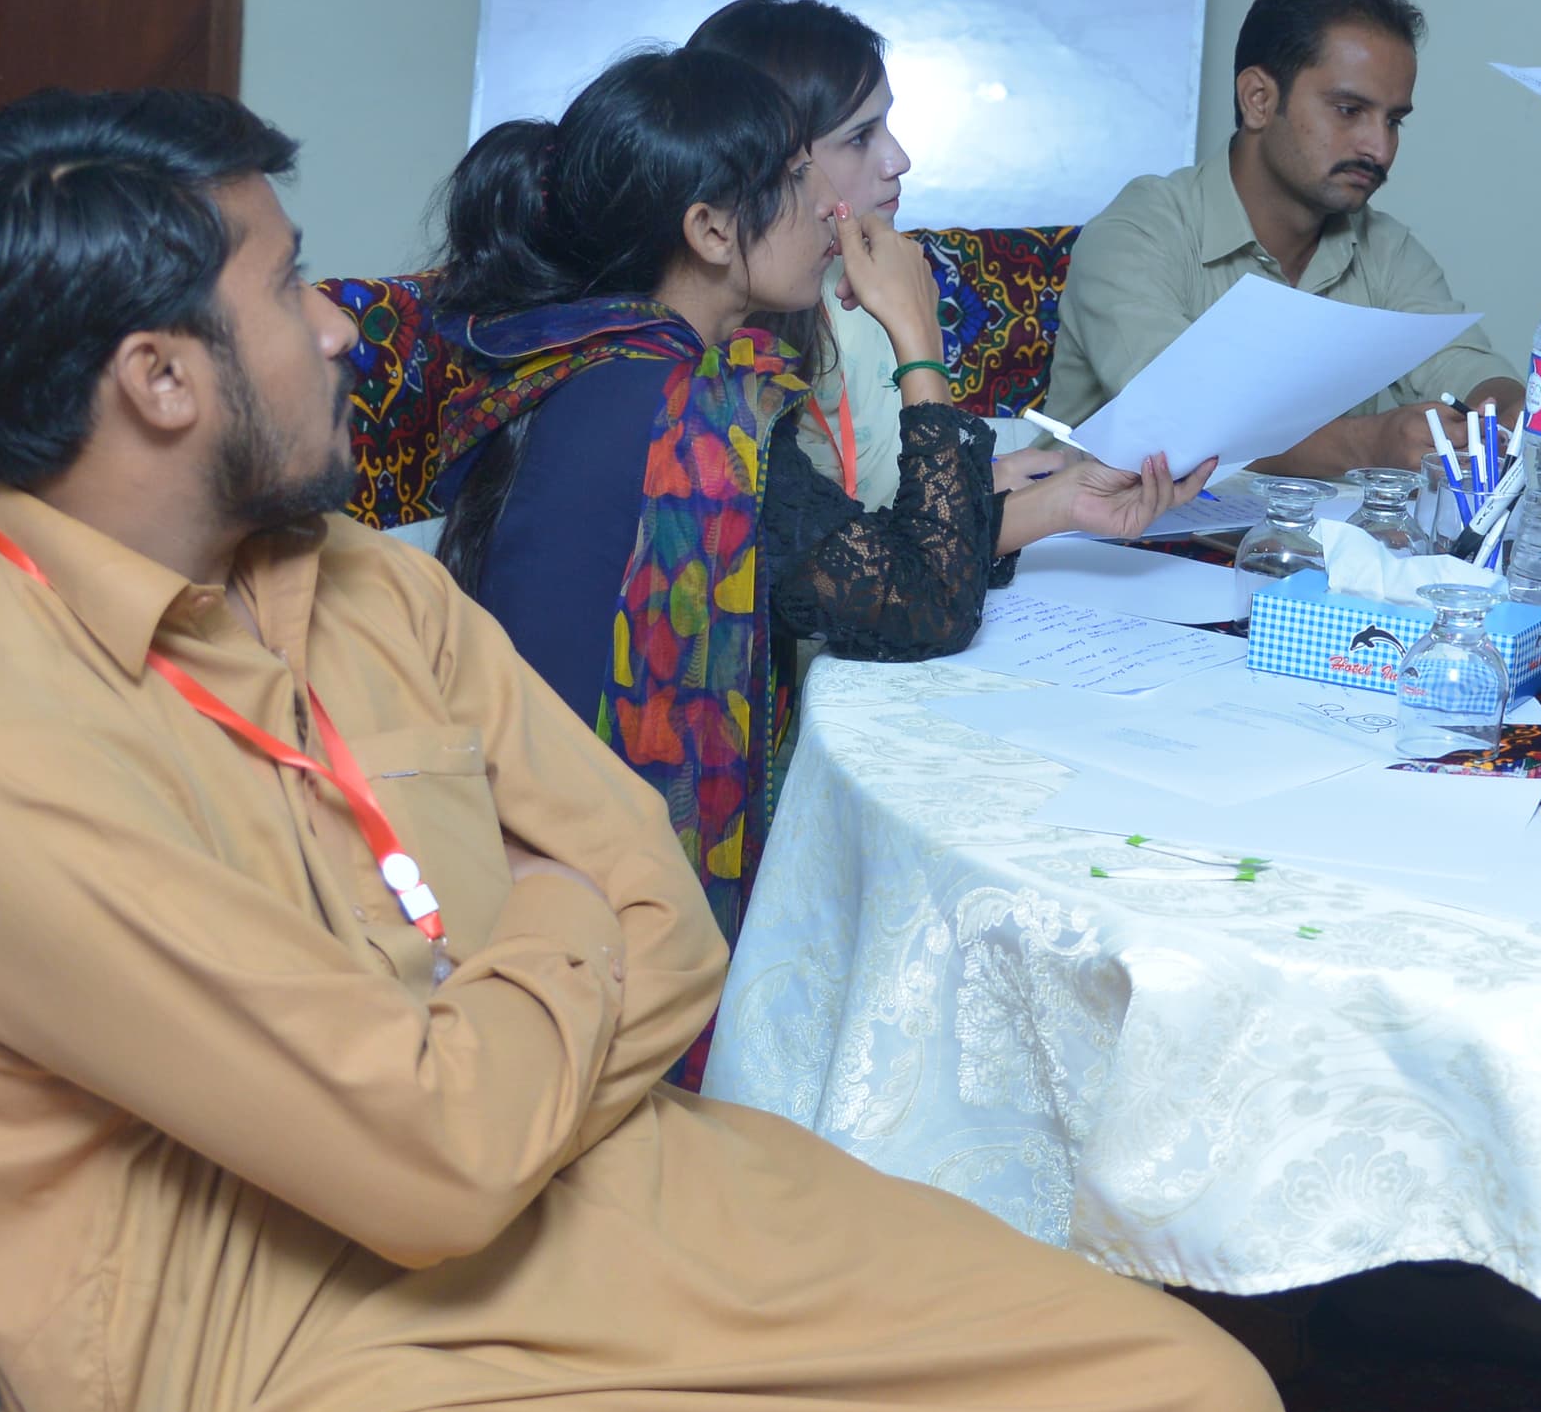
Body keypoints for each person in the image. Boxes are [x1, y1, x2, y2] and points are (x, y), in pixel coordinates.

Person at [0, 89, 1319, 1412]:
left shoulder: (348, 579)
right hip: (293, 1393)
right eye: (285, 283)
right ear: (162, 378)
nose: (339, 327)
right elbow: (434, 1154)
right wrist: (547, 931)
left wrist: (495, 1029)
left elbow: (662, 906)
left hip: (600, 1198)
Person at [432, 47, 1202, 942]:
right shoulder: (696, 424)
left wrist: (1059, 502)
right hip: (593, 913)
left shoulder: (603, 363)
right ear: (713, 231)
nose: (827, 208)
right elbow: (925, 604)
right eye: (799, 180)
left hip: (512, 850)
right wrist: (916, 339)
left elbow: (835, 554)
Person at [1041, 0, 1521, 478]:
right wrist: (1366, 445)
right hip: (1107, 551)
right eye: (1348, 109)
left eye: (1394, 120)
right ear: (1259, 100)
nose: (1379, 148)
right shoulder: (1137, 232)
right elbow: (1182, 425)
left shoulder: (1386, 249)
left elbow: (1476, 374)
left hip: (1295, 554)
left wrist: (1498, 416)